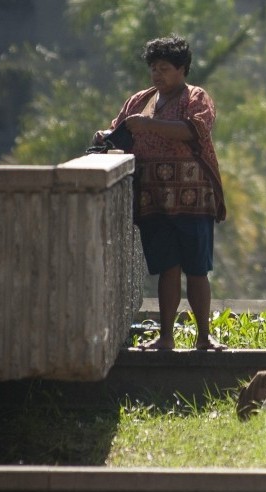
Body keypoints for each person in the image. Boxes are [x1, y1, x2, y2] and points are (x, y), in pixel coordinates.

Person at [93, 35, 226, 351]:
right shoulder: (139, 101)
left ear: (181, 69)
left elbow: (195, 130)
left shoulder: (196, 98)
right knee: (167, 268)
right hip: (154, 199)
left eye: (164, 68)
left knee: (197, 270)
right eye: (154, 68)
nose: (157, 75)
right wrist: (104, 137)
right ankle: (166, 337)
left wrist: (148, 126)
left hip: (193, 198)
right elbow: (119, 134)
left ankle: (204, 336)